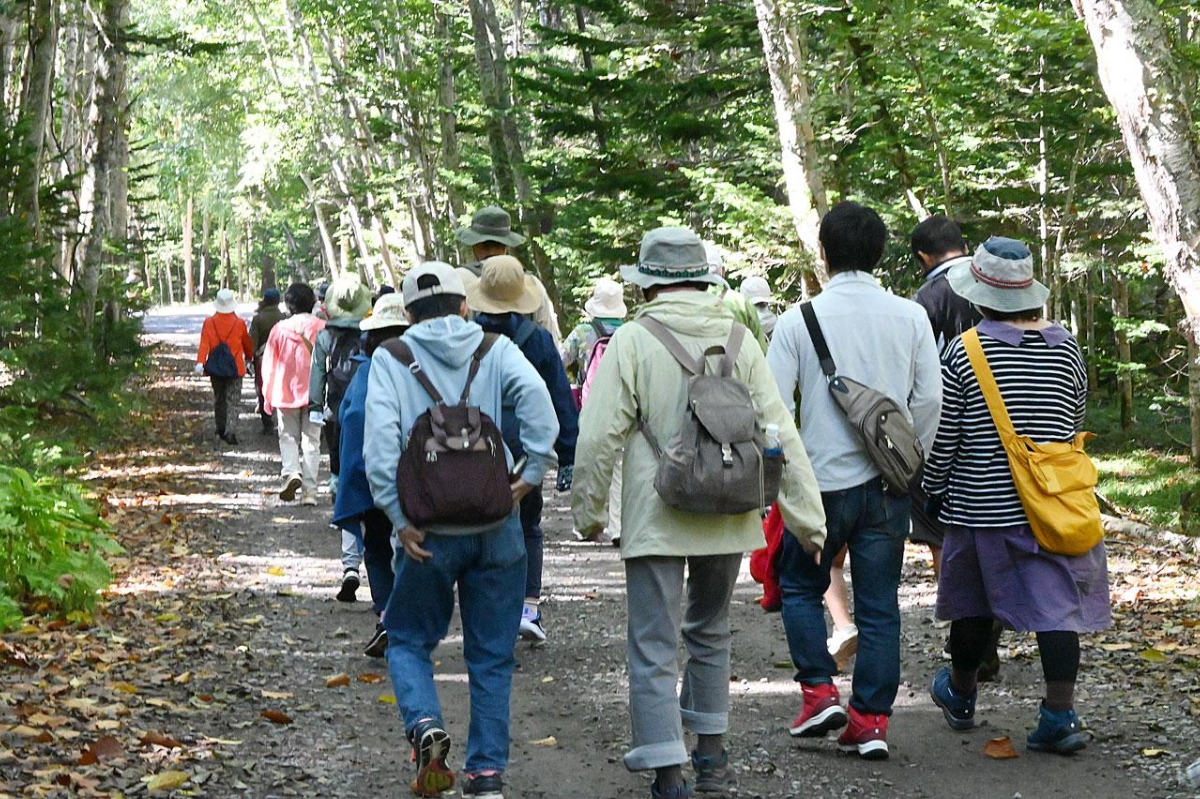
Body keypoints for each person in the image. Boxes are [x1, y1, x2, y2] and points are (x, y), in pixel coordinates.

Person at [572, 227, 826, 799]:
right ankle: (711, 758)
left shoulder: (633, 341)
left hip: (657, 509)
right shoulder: (740, 337)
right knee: (711, 632)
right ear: (704, 277)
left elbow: (598, 436)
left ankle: (668, 773)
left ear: (646, 285)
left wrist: (588, 514)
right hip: (731, 509)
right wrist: (809, 520)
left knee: (653, 642)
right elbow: (779, 429)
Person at [364, 261, 558, 799]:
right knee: (492, 654)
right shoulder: (495, 349)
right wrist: (529, 475)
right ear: (465, 306)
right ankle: (488, 773)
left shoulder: (391, 357)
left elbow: (379, 448)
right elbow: (543, 413)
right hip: (497, 526)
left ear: (407, 315)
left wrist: (398, 520)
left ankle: (426, 723)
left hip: (429, 529)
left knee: (406, 639)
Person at [766, 201, 942, 760]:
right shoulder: (912, 316)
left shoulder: (799, 320)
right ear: (881, 254)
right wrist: (909, 461)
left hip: (818, 482)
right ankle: (870, 720)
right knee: (879, 605)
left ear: (823, 252)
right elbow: (929, 400)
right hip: (889, 486)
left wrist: (781, 479)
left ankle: (819, 692)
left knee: (798, 586)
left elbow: (770, 410)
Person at [923, 236, 1110, 754]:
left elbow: (946, 437)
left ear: (980, 297)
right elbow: (1072, 421)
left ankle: (960, 696)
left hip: (981, 506)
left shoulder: (963, 352)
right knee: (1056, 610)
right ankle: (1060, 715)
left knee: (971, 605)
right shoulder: (1067, 345)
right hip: (1056, 504)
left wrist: (933, 488)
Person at [467, 255, 578, 645]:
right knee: (528, 524)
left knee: (476, 524)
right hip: (526, 444)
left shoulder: (465, 336)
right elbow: (560, 399)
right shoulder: (539, 340)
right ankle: (528, 606)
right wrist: (567, 452)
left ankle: (486, 608)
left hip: (474, 443)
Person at [909, 214, 1001, 678]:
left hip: (951, 423)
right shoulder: (997, 284)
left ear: (924, 257)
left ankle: (967, 632)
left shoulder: (928, 298)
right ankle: (990, 631)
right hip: (1012, 427)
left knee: (944, 531)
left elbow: (921, 370)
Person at [333, 292, 408, 657]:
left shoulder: (366, 369)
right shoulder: (419, 366)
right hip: (416, 472)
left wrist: (342, 473)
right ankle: (404, 616)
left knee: (377, 546)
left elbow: (349, 422)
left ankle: (388, 615)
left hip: (371, 473)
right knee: (414, 544)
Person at [308, 274, 373, 602]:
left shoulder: (325, 337)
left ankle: (349, 563)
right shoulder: (371, 335)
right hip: (370, 413)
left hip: (336, 414)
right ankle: (375, 563)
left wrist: (315, 405)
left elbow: (317, 371)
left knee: (343, 476)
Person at [560, 276, 627, 544]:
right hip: (623, 406)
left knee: (587, 467)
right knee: (619, 467)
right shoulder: (630, 332)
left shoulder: (582, 333)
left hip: (590, 408)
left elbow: (560, 359)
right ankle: (618, 526)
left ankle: (586, 525)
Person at [454, 206, 562, 341]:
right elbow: (551, 336)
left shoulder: (455, 280)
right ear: (505, 245)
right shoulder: (532, 284)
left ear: (475, 245)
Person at [261, 283, 326, 505]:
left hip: (285, 389)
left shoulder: (279, 329)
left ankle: (291, 471)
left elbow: (268, 365)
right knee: (312, 441)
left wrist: (267, 395)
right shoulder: (321, 327)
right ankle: (310, 492)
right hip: (315, 392)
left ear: (288, 305)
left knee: (288, 436)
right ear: (312, 302)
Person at [195, 288, 255, 446]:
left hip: (215, 367)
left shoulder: (209, 322)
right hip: (235, 368)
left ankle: (220, 427)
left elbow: (204, 343)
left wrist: (200, 362)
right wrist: (250, 358)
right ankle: (230, 431)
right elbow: (247, 344)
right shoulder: (240, 323)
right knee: (233, 400)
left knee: (219, 398)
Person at [702, 242, 767, 353]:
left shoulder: (688, 299)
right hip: (739, 367)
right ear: (723, 271)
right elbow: (762, 351)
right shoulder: (740, 302)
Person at [249, 288, 286, 435]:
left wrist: (250, 358)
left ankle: (267, 421)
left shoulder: (258, 318)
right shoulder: (284, 317)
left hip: (263, 358)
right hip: (283, 357)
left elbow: (253, 342)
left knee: (263, 387)